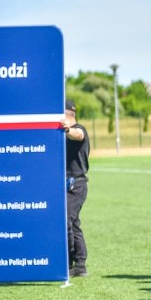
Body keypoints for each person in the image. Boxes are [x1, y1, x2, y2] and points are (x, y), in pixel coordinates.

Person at [61, 99, 90, 277]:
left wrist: (67, 129)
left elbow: (77, 134)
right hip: (68, 183)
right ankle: (80, 263)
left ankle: (70, 262)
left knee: (67, 221)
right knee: (74, 223)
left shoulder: (79, 129)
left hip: (76, 184)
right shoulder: (62, 132)